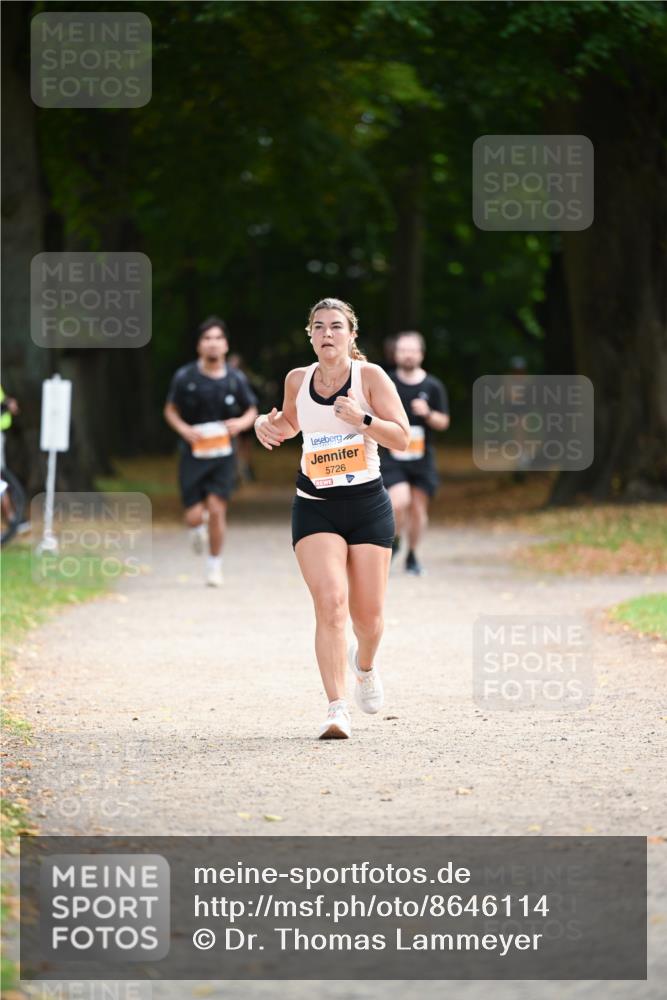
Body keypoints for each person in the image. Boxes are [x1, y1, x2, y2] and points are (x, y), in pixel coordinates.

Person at [254, 297, 409, 740]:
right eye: (319, 326)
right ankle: (336, 708)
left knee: (369, 617)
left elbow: (401, 437)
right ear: (310, 334)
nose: (327, 333)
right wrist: (267, 427)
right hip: (315, 504)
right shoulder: (298, 379)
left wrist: (362, 419)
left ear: (351, 334)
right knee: (330, 604)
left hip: (366, 507)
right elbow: (290, 424)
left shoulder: (371, 377)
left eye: (336, 326)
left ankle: (364, 666)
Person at [164, 317, 258, 586]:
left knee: (217, 509)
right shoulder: (185, 377)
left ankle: (214, 564)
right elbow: (170, 410)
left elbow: (251, 409)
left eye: (218, 338)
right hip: (193, 454)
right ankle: (196, 527)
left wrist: (240, 423)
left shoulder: (235, 379)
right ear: (199, 346)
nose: (213, 344)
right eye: (207, 339)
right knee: (194, 515)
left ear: (226, 345)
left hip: (223, 456)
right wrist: (184, 429)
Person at [380, 331, 449, 576]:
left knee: (419, 509)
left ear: (421, 353)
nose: (408, 354)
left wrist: (428, 413)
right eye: (403, 350)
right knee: (398, 503)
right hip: (392, 455)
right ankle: (395, 541)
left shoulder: (433, 386)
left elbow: (444, 422)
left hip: (422, 457)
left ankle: (412, 555)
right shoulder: (385, 382)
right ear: (395, 353)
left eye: (412, 350)